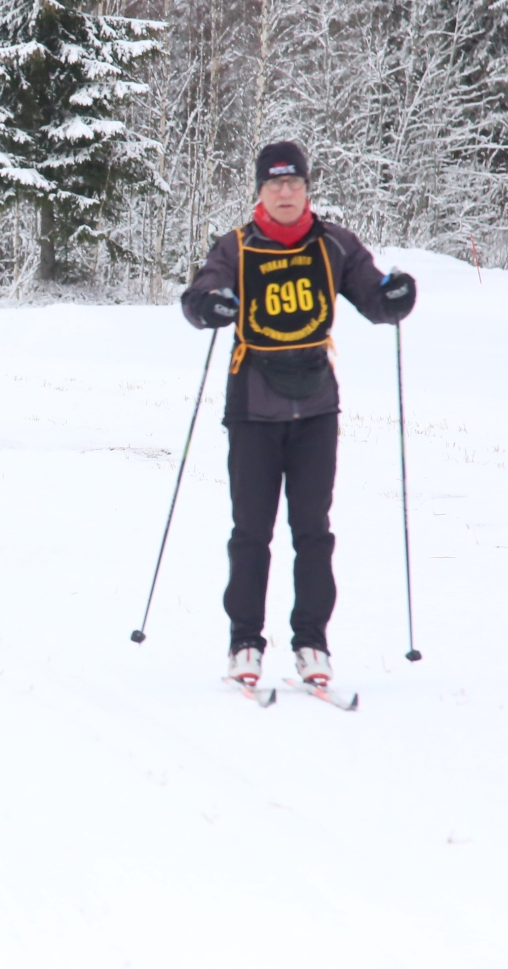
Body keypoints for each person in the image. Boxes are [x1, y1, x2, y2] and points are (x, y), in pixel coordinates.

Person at [179, 141, 417, 690]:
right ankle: (245, 642)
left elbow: (374, 297)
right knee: (250, 532)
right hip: (252, 408)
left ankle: (312, 644)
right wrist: (208, 305)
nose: (285, 192)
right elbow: (200, 293)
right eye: (274, 183)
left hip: (315, 408)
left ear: (307, 188)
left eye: (294, 183)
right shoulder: (237, 247)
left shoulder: (334, 244)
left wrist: (396, 298)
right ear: (260, 191)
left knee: (313, 531)